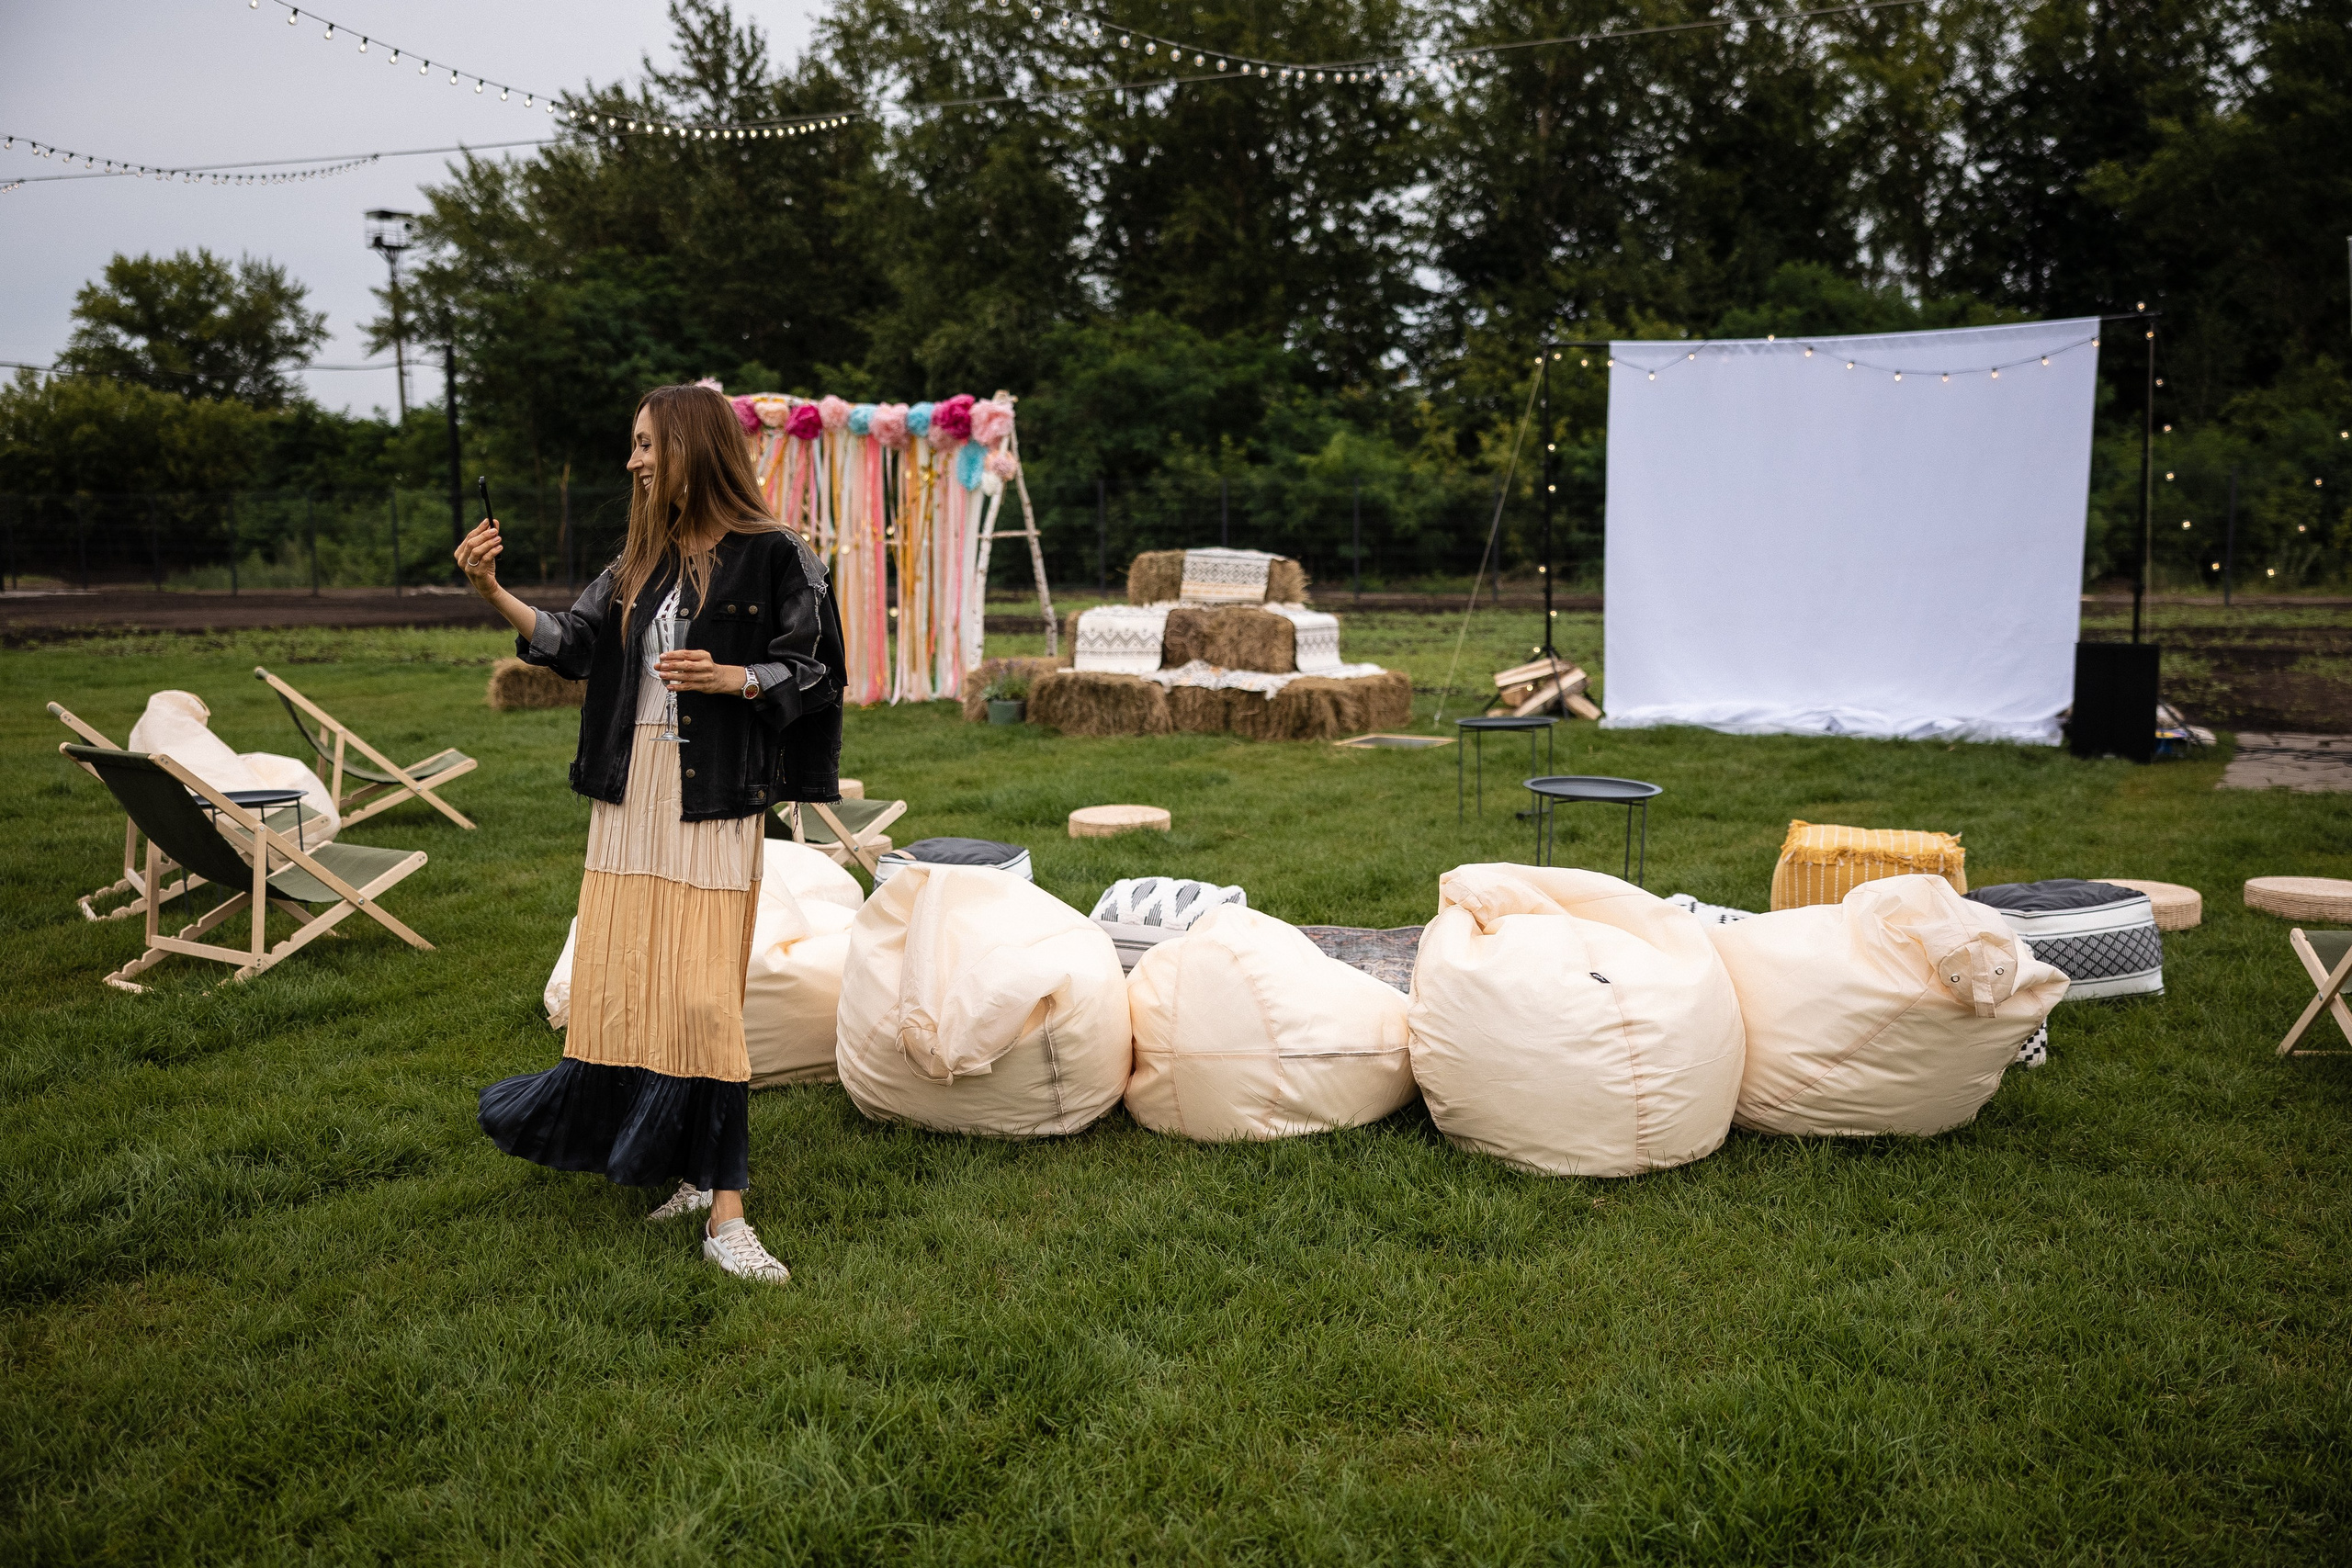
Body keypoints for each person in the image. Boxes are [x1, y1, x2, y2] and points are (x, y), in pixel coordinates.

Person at [458, 383, 845, 1284]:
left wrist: (737, 680)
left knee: (705, 999)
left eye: (645, 444)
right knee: (632, 983)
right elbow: (568, 642)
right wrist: (490, 590)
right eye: (631, 445)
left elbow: (817, 671)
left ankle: (728, 1216)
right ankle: (677, 1166)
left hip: (714, 799)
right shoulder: (639, 560)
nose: (632, 461)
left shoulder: (778, 554)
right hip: (627, 799)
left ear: (692, 447)